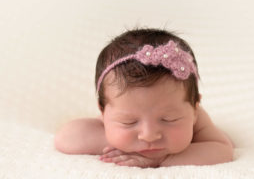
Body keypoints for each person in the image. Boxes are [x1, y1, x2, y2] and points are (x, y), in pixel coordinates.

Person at [54, 27, 234, 168]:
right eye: (129, 122)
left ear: (194, 109)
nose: (149, 135)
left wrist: (162, 160)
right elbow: (66, 138)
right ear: (103, 111)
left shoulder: (198, 118)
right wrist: (115, 139)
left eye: (168, 119)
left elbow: (223, 150)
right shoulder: (110, 122)